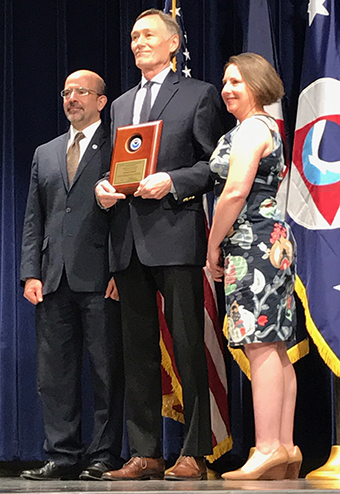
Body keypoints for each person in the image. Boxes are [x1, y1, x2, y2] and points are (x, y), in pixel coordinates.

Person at [95, 9, 223, 481]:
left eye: (147, 35)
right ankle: (145, 451)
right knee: (137, 351)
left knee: (188, 346)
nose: (137, 43)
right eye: (132, 37)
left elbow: (213, 166)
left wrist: (172, 180)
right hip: (127, 241)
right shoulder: (121, 104)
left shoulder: (198, 94)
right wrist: (104, 190)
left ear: (173, 43)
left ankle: (194, 452)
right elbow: (117, 167)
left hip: (175, 235)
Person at [20, 70, 124, 481]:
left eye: (82, 91)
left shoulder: (118, 145)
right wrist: (30, 272)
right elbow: (35, 217)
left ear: (101, 101)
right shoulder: (45, 152)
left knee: (106, 370)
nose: (72, 97)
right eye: (66, 91)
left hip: (102, 275)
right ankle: (61, 455)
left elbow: (126, 211)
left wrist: (121, 267)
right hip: (52, 277)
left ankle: (103, 455)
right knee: (55, 373)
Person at [207, 53, 301, 481]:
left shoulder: (251, 130)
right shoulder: (267, 127)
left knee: (260, 344)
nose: (227, 90)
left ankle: (266, 448)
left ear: (258, 85)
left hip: (252, 244)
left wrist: (212, 247)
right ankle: (284, 445)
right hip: (271, 241)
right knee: (276, 346)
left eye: (236, 82)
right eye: (225, 82)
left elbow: (233, 192)